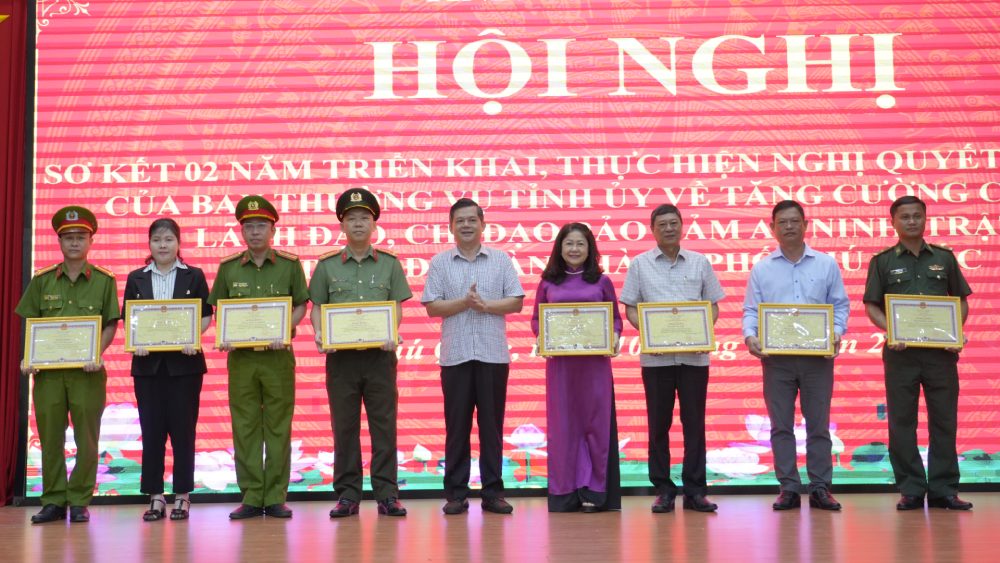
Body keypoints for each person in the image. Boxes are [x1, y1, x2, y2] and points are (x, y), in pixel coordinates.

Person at [863, 195, 973, 511]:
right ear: (893, 222)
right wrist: (890, 331)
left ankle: (944, 489)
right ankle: (911, 488)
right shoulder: (882, 261)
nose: (912, 221)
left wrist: (957, 331)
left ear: (926, 219)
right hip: (901, 354)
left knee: (944, 421)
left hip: (940, 354)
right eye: (905, 217)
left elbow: (960, 300)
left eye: (917, 216)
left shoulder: (945, 258)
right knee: (901, 422)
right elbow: (872, 305)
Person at [309, 188, 412, 518]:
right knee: (345, 427)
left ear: (374, 224)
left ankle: (387, 493)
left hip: (380, 357)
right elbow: (317, 308)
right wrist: (319, 333)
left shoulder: (390, 265)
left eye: (364, 218)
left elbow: (395, 307)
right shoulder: (326, 267)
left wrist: (391, 333)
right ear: (341, 225)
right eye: (351, 218)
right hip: (341, 360)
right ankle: (348, 495)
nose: (358, 224)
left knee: (385, 426)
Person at [742, 200, 849, 511]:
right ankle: (788, 487)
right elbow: (751, 309)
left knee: (819, 425)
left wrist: (836, 333)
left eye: (794, 221)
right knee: (780, 426)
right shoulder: (762, 268)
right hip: (777, 360)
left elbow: (840, 306)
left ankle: (820, 487)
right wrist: (751, 336)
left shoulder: (826, 264)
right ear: (772, 228)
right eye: (782, 222)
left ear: (806, 224)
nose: (789, 227)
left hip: (818, 359)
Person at [16, 206, 120, 524]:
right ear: (59, 242)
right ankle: (53, 500)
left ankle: (79, 500)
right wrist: (28, 357)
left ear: (91, 241)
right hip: (48, 375)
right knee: (50, 437)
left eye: (80, 237)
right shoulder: (43, 280)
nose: (74, 243)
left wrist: (96, 354)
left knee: (86, 439)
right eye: (68, 237)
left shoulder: (104, 281)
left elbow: (110, 324)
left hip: (87, 374)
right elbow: (31, 323)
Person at [208, 195, 308, 520]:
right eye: (248, 226)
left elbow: (300, 305)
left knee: (278, 426)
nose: (254, 232)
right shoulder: (227, 268)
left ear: (272, 229)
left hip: (278, 357)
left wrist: (285, 330)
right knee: (246, 426)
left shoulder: (291, 266)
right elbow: (218, 309)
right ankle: (251, 495)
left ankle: (276, 496)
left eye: (261, 225)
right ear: (241, 231)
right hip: (242, 360)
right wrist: (224, 334)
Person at [421, 198, 524, 515]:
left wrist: (485, 306)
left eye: (471, 220)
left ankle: (493, 492)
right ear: (451, 226)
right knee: (457, 427)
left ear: (483, 224)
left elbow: (516, 302)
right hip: (455, 356)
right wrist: (464, 303)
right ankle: (456, 494)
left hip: (493, 355)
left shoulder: (501, 260)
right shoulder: (440, 263)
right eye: (459, 221)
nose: (466, 225)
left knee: (492, 427)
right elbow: (431, 306)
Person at [620, 204, 725, 514]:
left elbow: (713, 306)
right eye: (662, 224)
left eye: (673, 223)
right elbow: (629, 308)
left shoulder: (700, 262)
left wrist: (702, 332)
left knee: (695, 425)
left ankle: (695, 491)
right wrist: (652, 333)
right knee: (658, 425)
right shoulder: (639, 265)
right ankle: (663, 489)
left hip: (694, 358)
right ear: (652, 230)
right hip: (656, 360)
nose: (668, 228)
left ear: (682, 226)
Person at [122, 218, 212, 521]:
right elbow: (129, 318)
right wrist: (137, 341)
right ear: (149, 244)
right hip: (148, 367)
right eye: (157, 239)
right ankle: (155, 495)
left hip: (185, 367)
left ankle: (183, 496)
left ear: (179, 243)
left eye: (169, 239)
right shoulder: (136, 278)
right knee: (152, 431)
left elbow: (205, 314)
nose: (163, 245)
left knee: (184, 432)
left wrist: (194, 338)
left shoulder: (194, 276)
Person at [531, 223, 622, 513]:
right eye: (569, 243)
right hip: (562, 368)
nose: (574, 249)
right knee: (564, 428)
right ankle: (565, 493)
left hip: (594, 366)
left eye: (580, 244)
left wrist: (616, 336)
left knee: (595, 426)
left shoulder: (602, 281)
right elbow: (536, 319)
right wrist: (543, 337)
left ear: (590, 248)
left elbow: (616, 320)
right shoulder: (548, 282)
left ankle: (595, 492)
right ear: (559, 247)